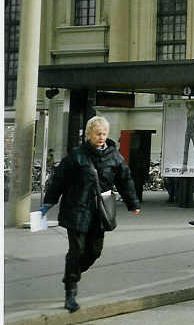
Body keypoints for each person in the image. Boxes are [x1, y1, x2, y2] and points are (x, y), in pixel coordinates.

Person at [41, 116, 141, 312]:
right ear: (88, 135)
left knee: (94, 252)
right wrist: (47, 204)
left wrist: (133, 203)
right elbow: (59, 180)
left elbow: (125, 180)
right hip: (76, 209)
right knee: (77, 250)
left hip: (99, 212)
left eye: (104, 133)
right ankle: (70, 291)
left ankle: (73, 273)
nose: (101, 137)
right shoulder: (77, 156)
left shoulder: (114, 157)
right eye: (97, 134)